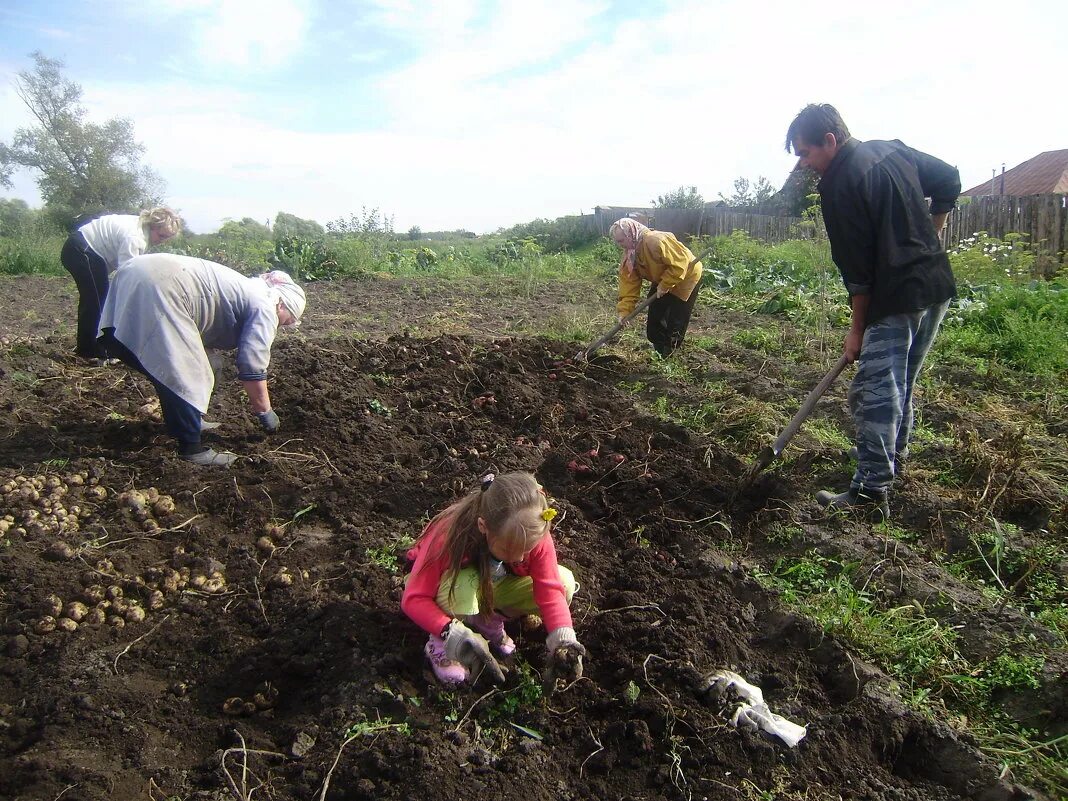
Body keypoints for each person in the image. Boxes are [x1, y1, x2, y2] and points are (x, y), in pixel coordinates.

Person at [784, 103, 960, 520]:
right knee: (900, 383)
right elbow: (949, 177)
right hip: (936, 285)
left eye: (806, 153)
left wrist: (856, 329)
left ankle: (869, 491)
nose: (805, 165)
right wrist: (931, 235)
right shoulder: (891, 150)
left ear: (830, 140)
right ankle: (889, 460)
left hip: (896, 296)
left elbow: (858, 275)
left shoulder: (839, 184)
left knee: (874, 392)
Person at [96, 254, 306, 467]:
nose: (281, 327)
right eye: (286, 321)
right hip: (164, 287)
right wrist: (265, 411)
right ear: (281, 305)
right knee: (188, 372)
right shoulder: (266, 306)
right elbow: (252, 364)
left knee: (188, 366)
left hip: (138, 272)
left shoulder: (247, 290)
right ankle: (191, 449)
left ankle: (189, 420)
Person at [401, 472, 584, 688]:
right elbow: (414, 598)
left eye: (526, 550)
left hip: (492, 584)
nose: (518, 557)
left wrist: (564, 642)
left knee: (564, 583)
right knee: (464, 584)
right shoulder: (450, 535)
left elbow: (550, 590)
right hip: (445, 588)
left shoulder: (533, 534)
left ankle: (487, 618)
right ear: (482, 526)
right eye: (508, 549)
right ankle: (440, 646)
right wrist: (451, 632)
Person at [60, 208, 182, 359]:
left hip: (88, 251)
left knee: (100, 299)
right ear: (152, 226)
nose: (162, 241)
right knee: (97, 301)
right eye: (161, 235)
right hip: (81, 249)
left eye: (167, 238)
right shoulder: (135, 237)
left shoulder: (142, 229)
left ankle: (100, 346)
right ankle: (90, 351)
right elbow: (128, 274)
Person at [610, 217, 703, 356]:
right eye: (617, 242)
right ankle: (660, 351)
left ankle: (670, 353)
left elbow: (680, 264)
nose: (620, 245)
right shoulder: (630, 257)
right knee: (656, 314)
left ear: (631, 234)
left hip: (686, 275)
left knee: (676, 316)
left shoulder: (655, 240)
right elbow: (629, 286)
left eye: (621, 240)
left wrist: (665, 284)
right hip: (663, 278)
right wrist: (625, 311)